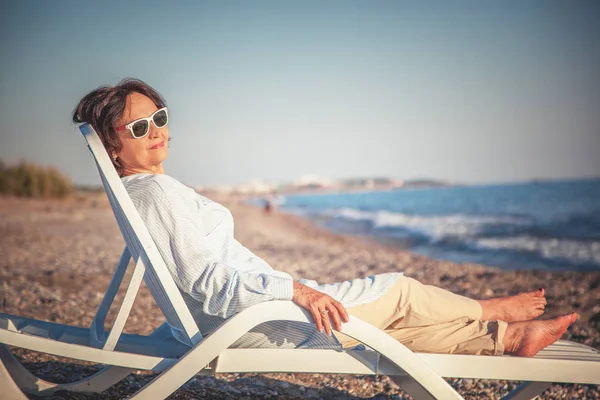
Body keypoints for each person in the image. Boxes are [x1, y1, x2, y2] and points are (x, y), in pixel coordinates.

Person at [72, 78, 577, 356]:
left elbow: (194, 272)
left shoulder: (147, 191)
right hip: (246, 322)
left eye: (159, 116)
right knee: (397, 291)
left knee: (384, 330)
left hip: (246, 312)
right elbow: (209, 282)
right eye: (139, 125)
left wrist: (294, 287)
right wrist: (296, 289)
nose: (156, 129)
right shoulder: (155, 194)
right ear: (114, 146)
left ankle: (509, 341)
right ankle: (492, 313)